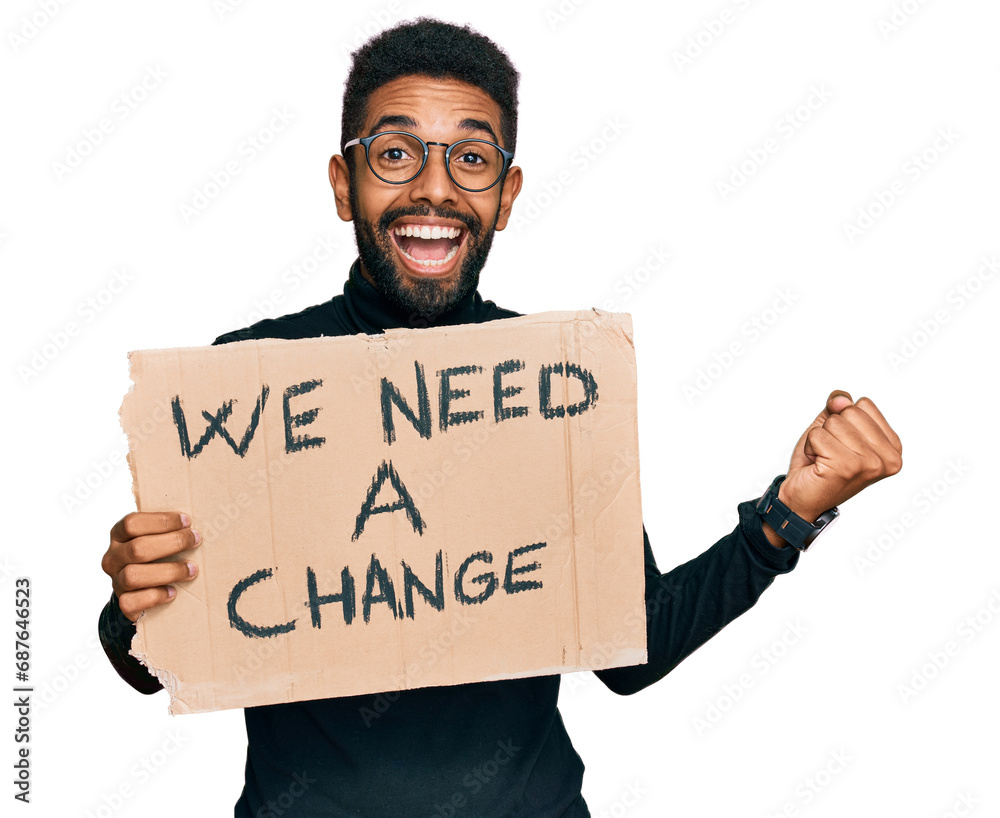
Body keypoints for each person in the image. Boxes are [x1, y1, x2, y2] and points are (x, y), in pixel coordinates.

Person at [98, 18, 902, 817]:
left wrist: (788, 516)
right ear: (345, 184)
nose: (435, 188)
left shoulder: (553, 385)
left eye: (472, 159)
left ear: (506, 196)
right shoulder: (249, 381)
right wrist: (133, 604)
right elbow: (153, 662)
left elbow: (631, 654)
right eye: (395, 152)